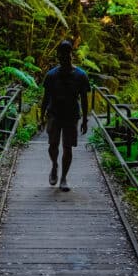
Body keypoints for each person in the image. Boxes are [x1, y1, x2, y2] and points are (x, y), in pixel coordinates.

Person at [40, 39, 90, 191]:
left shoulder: (81, 75)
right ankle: (54, 165)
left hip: (71, 116)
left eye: (67, 55)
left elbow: (85, 99)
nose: (65, 58)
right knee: (53, 145)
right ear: (58, 56)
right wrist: (41, 117)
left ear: (71, 55)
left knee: (67, 147)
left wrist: (85, 120)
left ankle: (63, 178)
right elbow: (45, 97)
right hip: (54, 114)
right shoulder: (51, 75)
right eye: (62, 55)